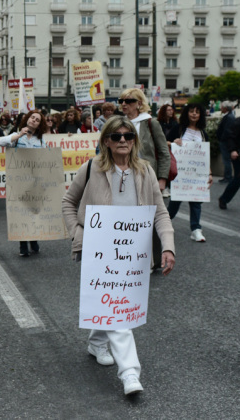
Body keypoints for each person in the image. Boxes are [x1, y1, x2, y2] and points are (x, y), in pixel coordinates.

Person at [61, 116, 175, 396]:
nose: (123, 140)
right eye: (116, 136)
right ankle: (130, 373)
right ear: (106, 142)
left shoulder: (146, 171)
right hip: (99, 252)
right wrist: (78, 234)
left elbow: (160, 211)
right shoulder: (91, 168)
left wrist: (168, 245)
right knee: (118, 308)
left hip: (133, 254)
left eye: (128, 135)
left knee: (112, 304)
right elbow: (68, 202)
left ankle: (97, 341)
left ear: (134, 141)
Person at [119, 88, 170, 266]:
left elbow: (163, 152)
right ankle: (129, 256)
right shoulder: (119, 123)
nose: (124, 104)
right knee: (129, 219)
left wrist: (162, 178)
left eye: (129, 101)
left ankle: (152, 259)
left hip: (148, 176)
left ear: (139, 104)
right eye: (122, 101)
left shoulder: (150, 123)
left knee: (150, 219)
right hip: (124, 177)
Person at [0, 109, 48, 256]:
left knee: (32, 211)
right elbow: (1, 142)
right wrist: (19, 135)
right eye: (32, 118)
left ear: (39, 125)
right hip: (19, 181)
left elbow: (45, 158)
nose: (34, 120)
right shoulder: (17, 136)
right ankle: (23, 245)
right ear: (27, 119)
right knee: (20, 212)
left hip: (34, 182)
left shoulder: (40, 140)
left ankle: (33, 239)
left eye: (37, 120)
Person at [166, 102, 213, 242]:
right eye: (191, 111)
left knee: (196, 202)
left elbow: (205, 157)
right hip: (179, 174)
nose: (194, 114)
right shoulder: (179, 129)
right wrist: (173, 142)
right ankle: (163, 224)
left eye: (197, 112)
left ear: (201, 115)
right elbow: (163, 142)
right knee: (175, 202)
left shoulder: (203, 134)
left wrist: (209, 173)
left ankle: (196, 229)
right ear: (187, 113)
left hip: (197, 175)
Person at [217, 102, 236, 183]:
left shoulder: (229, 117)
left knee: (226, 160)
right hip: (225, 141)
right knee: (226, 160)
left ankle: (228, 177)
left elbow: (227, 130)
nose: (220, 108)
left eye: (221, 107)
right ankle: (227, 176)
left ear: (225, 108)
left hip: (225, 142)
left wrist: (222, 138)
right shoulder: (229, 116)